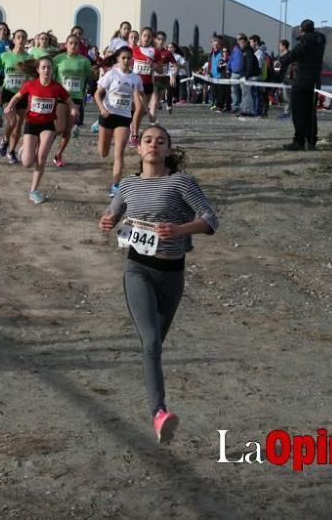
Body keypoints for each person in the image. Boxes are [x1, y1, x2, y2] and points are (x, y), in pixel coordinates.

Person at [98, 124, 219, 443]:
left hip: (172, 276)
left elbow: (211, 219)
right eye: (148, 140)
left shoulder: (180, 182)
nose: (153, 145)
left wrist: (180, 230)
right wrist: (107, 221)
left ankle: (155, 403)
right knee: (151, 342)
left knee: (154, 345)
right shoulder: (126, 185)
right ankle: (159, 413)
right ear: (138, 149)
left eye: (160, 141)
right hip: (138, 270)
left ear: (168, 150)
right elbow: (111, 216)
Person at [4, 55, 71, 204]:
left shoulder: (56, 87)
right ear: (38, 70)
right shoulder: (31, 84)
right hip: (31, 123)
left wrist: (73, 109)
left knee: (41, 158)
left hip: (48, 125)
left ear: (53, 70)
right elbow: (17, 96)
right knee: (27, 162)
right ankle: (25, 149)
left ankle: (34, 191)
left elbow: (69, 101)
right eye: (44, 67)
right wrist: (10, 106)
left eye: (49, 67)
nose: (47, 70)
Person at [94, 46, 146, 197]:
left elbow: (142, 95)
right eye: (123, 58)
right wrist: (102, 109)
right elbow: (97, 94)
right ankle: (98, 127)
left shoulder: (135, 78)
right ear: (117, 59)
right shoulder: (111, 74)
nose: (126, 60)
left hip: (123, 117)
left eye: (129, 58)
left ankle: (116, 185)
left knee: (119, 153)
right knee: (103, 153)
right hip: (108, 115)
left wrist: (148, 111)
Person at [276, 19, 326, 150]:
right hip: (315, 81)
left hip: (302, 80)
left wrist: (280, 61)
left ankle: (298, 141)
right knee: (311, 113)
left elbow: (293, 54)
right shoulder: (320, 42)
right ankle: (311, 140)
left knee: (298, 112)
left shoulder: (305, 41)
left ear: (302, 30)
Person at [52, 34, 93, 166]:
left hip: (76, 97)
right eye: (70, 43)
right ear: (66, 45)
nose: (73, 46)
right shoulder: (58, 59)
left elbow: (91, 76)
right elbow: (50, 77)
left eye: (76, 43)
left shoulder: (84, 61)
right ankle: (43, 143)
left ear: (79, 46)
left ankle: (58, 154)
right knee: (59, 127)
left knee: (67, 130)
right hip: (60, 96)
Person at [0, 29, 32, 163]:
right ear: (14, 40)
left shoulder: (29, 58)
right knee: (12, 121)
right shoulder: (5, 56)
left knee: (19, 125)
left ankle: (12, 152)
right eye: (18, 37)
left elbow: (34, 75)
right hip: (8, 92)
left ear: (26, 41)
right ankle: (4, 141)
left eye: (23, 37)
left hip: (22, 94)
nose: (21, 40)